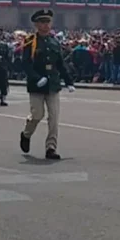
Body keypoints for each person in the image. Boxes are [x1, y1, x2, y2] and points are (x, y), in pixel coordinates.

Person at [19, 9, 76, 160]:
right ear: (36, 24)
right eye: (42, 22)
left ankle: (51, 148)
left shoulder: (54, 41)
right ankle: (26, 134)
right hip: (36, 85)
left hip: (52, 84)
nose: (45, 25)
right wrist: (36, 78)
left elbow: (60, 64)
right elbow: (26, 64)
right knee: (37, 115)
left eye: (47, 22)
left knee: (54, 118)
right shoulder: (30, 42)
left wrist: (69, 81)